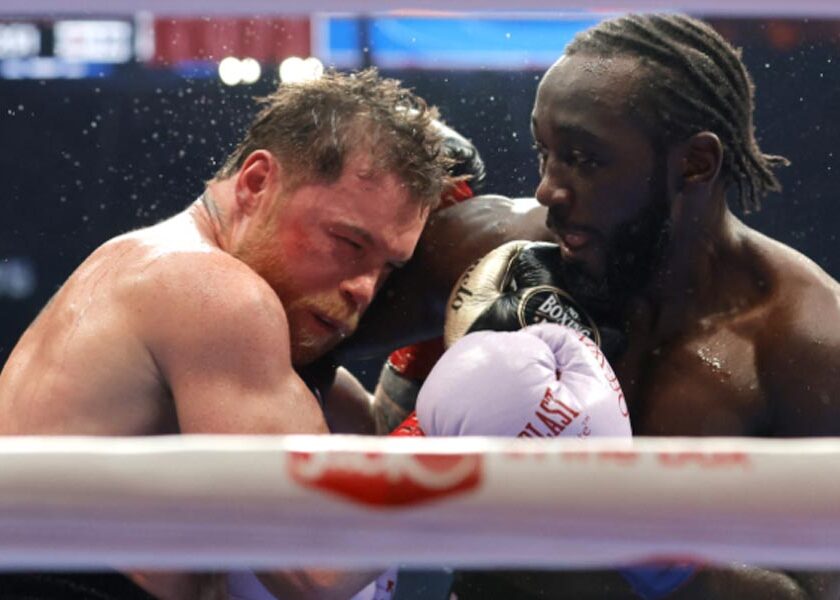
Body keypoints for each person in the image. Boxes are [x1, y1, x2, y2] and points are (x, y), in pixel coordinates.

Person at [336, 13, 840, 599]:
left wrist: (637, 539)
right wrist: (405, 420)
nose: (548, 188)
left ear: (695, 164)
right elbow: (287, 344)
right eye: (545, 152)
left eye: (586, 159)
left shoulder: (804, 344)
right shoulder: (495, 254)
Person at [0, 68, 452, 600]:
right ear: (257, 182)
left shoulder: (150, 267)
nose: (364, 288)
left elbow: (361, 462)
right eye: (349, 243)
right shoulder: (214, 293)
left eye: (389, 269)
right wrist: (449, 436)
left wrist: (417, 388)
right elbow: (319, 566)